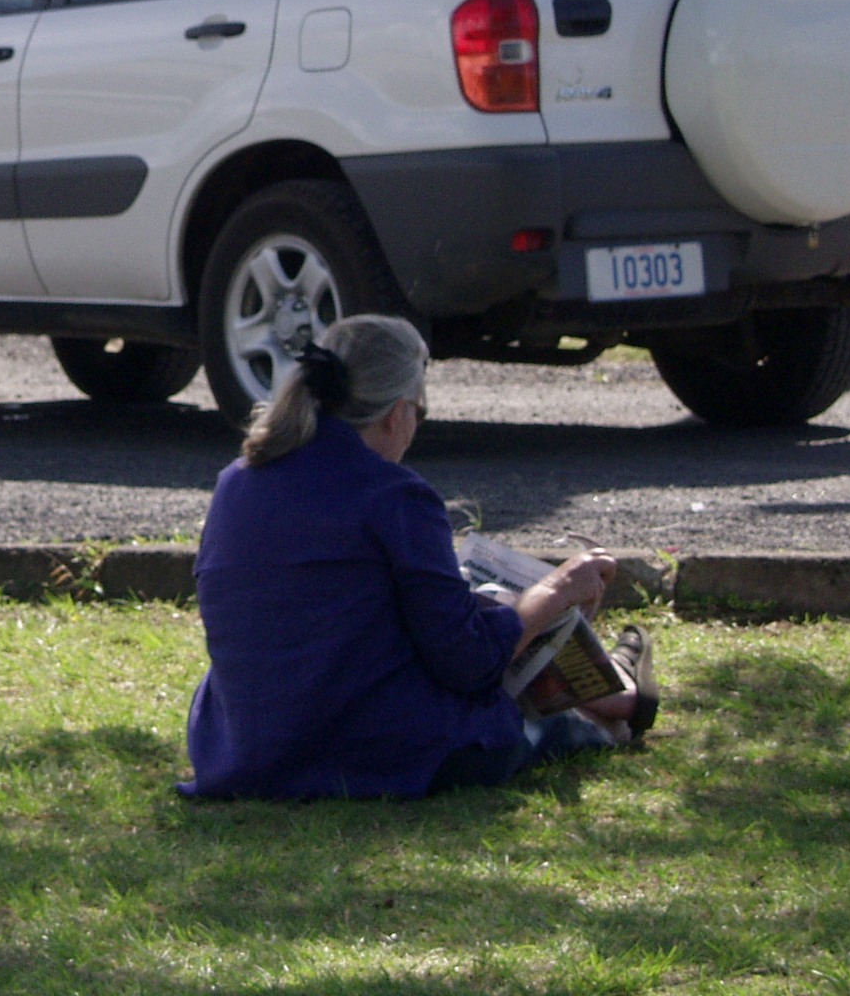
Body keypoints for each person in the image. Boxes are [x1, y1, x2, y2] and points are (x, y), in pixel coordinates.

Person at [182, 316, 656, 800]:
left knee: (476, 612)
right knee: (505, 695)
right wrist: (558, 590)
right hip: (366, 751)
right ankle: (608, 708)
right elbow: (467, 661)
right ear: (397, 412)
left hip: (242, 748)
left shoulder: (235, 482)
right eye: (420, 410)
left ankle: (612, 695)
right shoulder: (395, 496)